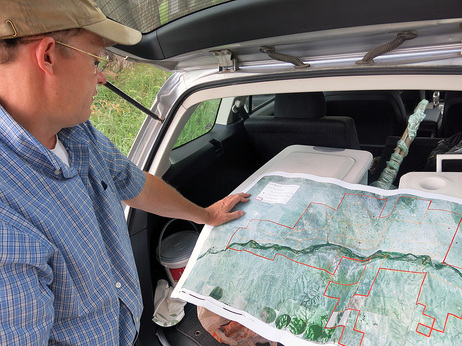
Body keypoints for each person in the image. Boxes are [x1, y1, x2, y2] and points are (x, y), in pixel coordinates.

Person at [0, 0, 250, 344]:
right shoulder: (6, 212)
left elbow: (133, 183)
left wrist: (205, 214)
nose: (101, 76)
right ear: (47, 56)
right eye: (95, 59)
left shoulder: (77, 134)